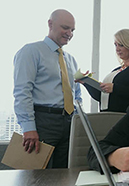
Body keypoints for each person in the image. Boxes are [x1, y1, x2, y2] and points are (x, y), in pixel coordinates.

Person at [13, 9, 82, 168]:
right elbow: (23, 91)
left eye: (72, 30)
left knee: (64, 176)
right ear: (50, 24)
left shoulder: (71, 60)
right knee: (37, 178)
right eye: (65, 28)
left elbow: (76, 94)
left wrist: (78, 121)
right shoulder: (31, 51)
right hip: (43, 121)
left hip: (69, 122)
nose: (69, 33)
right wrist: (29, 127)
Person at [79, 29, 129, 113]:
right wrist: (86, 82)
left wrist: (115, 88)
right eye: (115, 45)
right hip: (107, 115)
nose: (117, 49)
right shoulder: (116, 70)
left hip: (127, 117)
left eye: (121, 45)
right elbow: (102, 97)